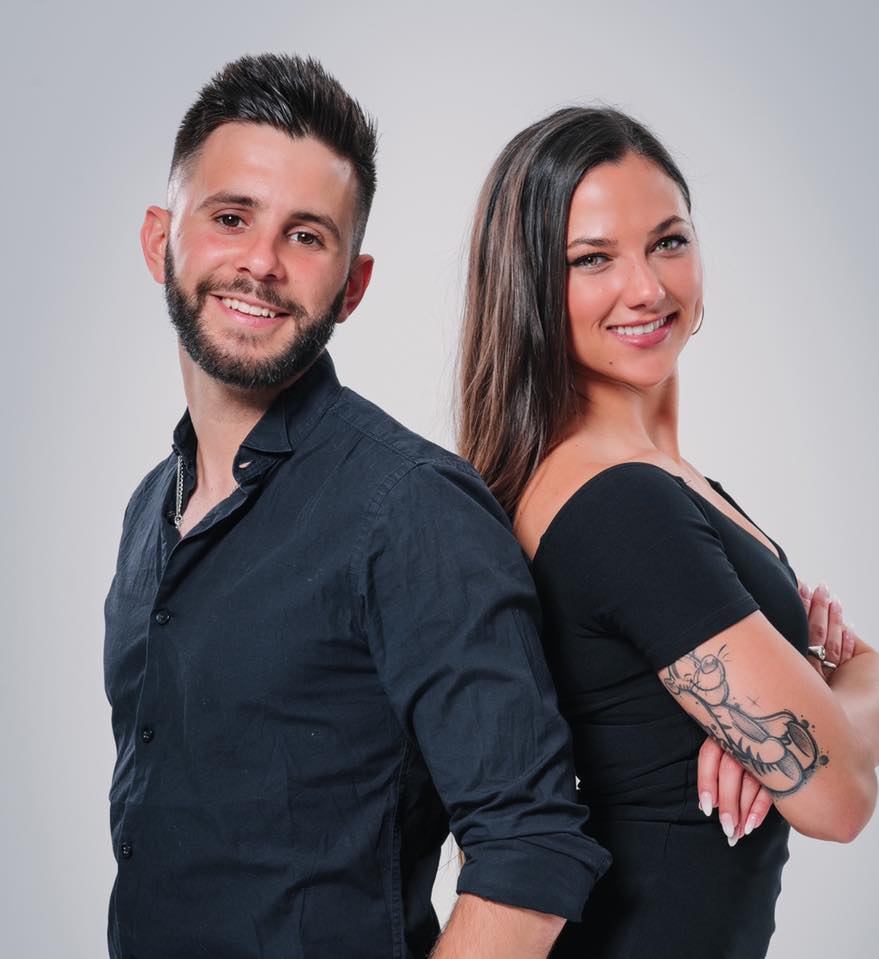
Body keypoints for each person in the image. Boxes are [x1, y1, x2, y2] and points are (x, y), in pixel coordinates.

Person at [103, 55, 610, 959]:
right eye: (231, 217)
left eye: (306, 235)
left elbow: (529, 848)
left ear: (353, 283)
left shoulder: (411, 509)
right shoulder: (151, 509)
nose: (261, 263)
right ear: (159, 241)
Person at [458, 106, 879, 958]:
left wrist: (815, 718)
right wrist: (839, 700)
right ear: (531, 285)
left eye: (667, 241)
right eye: (592, 259)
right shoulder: (620, 504)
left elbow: (840, 751)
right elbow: (841, 796)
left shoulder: (664, 481)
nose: (647, 288)